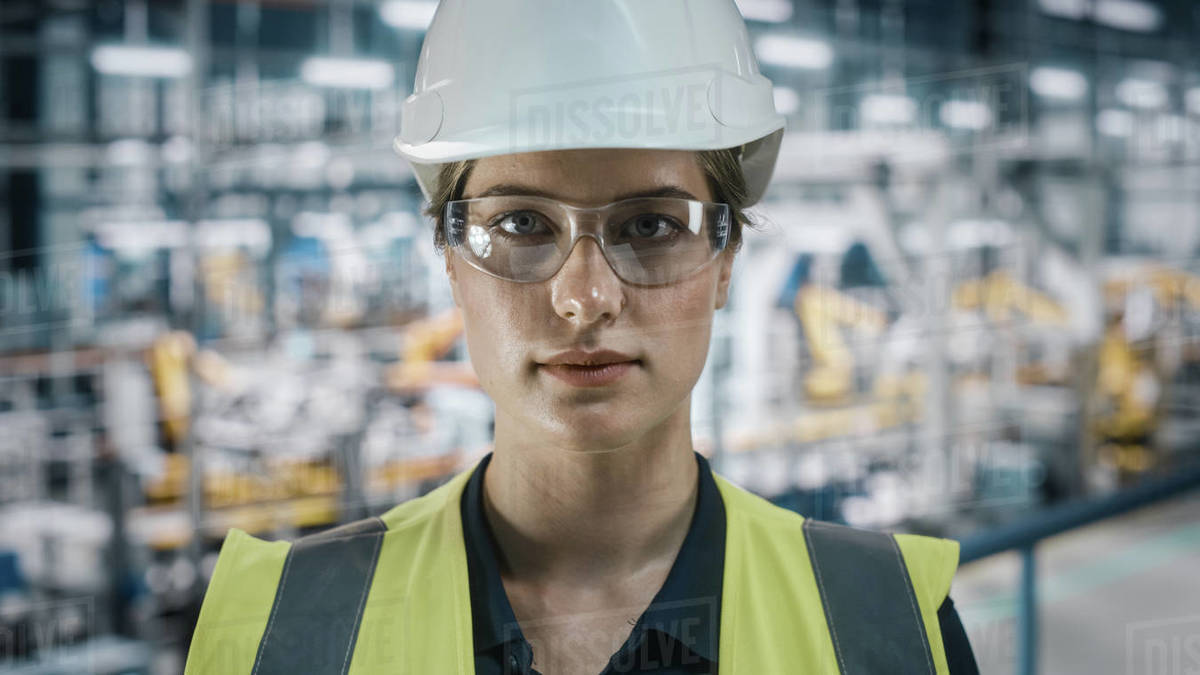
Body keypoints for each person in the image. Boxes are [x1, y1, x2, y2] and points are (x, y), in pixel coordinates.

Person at [185, 1, 980, 673]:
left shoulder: (890, 626)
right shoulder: (275, 633)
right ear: (451, 261)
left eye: (651, 225)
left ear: (727, 258)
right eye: (522, 223)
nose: (585, 297)